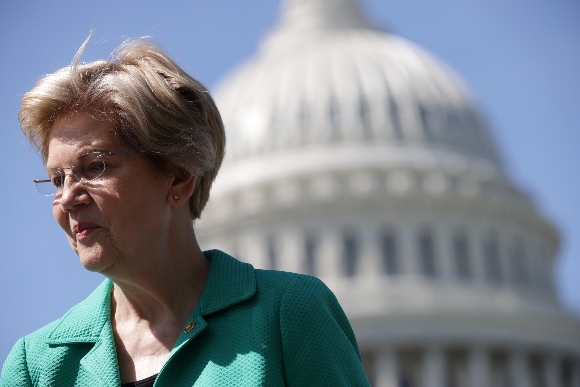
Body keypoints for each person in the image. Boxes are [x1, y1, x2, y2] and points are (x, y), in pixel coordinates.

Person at [0, 35, 370, 386]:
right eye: (57, 179)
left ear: (178, 176)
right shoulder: (38, 365)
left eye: (95, 167)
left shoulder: (289, 313)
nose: (67, 198)